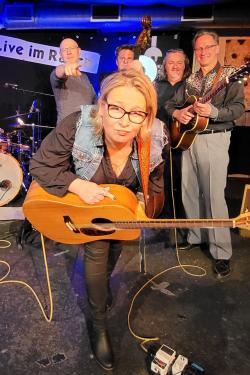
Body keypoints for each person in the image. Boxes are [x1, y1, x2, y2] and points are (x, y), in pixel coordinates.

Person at [29, 69, 169, 370]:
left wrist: (144, 206)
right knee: (97, 251)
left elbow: (156, 190)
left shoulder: (154, 138)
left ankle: (102, 289)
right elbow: (40, 165)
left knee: (114, 249)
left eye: (135, 113)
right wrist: (77, 185)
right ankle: (98, 323)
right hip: (85, 209)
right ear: (102, 105)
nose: (123, 121)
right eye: (115, 108)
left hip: (121, 212)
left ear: (146, 117)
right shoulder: (78, 124)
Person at [165, 30, 245, 278]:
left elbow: (238, 109)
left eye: (207, 48)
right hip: (189, 140)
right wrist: (177, 114)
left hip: (215, 140)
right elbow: (170, 104)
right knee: (189, 191)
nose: (203, 53)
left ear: (217, 48)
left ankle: (221, 252)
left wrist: (213, 111)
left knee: (213, 196)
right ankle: (195, 235)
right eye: (198, 49)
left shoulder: (231, 75)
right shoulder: (190, 80)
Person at [155, 49, 191, 224]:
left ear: (185, 66)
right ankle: (162, 213)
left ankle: (181, 217)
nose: (175, 66)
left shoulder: (191, 87)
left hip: (183, 142)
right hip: (159, 142)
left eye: (179, 62)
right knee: (161, 179)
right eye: (171, 62)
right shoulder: (156, 86)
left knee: (182, 181)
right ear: (164, 66)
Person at [50, 38, 96, 123]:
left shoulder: (85, 78)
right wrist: (65, 68)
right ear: (60, 55)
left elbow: (95, 101)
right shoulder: (57, 74)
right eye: (65, 50)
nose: (69, 52)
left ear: (79, 51)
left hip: (86, 131)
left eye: (72, 48)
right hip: (67, 133)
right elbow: (59, 72)